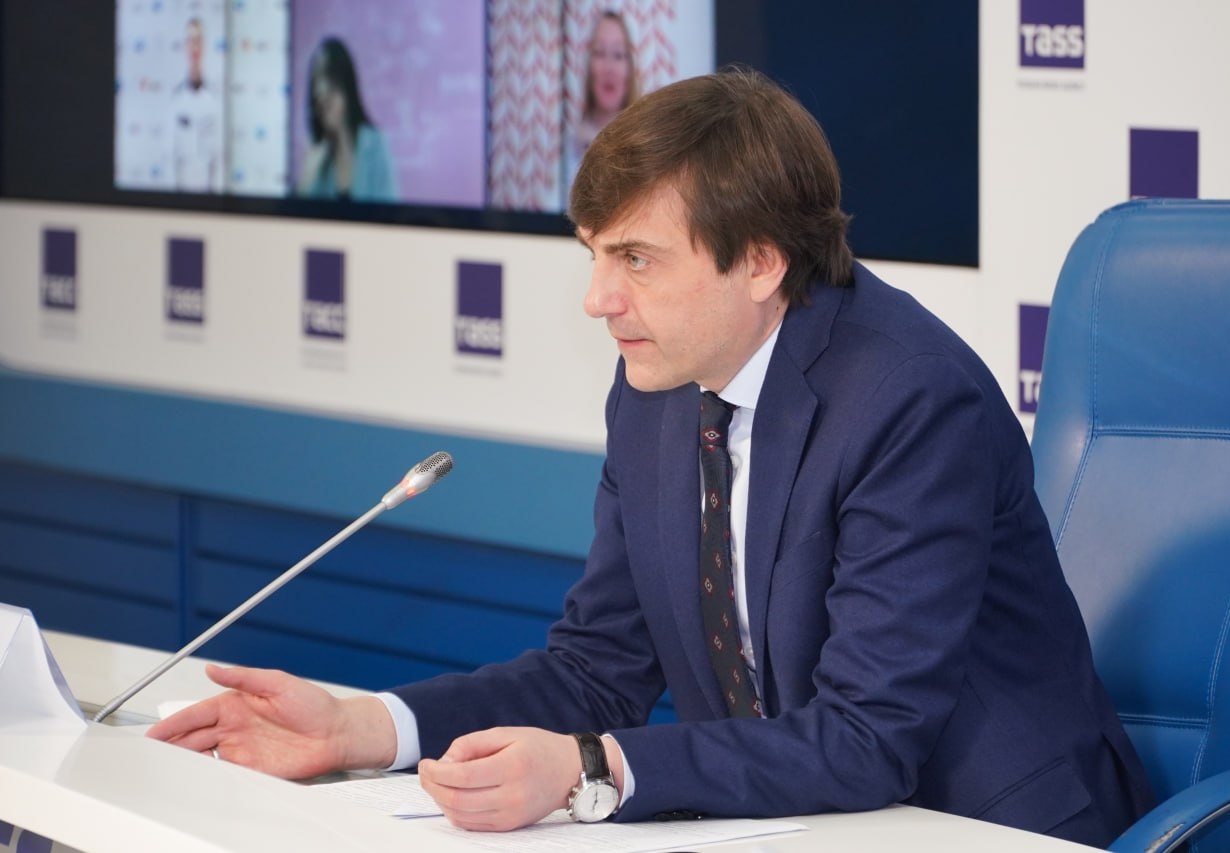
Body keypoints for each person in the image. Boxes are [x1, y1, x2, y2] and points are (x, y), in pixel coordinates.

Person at [148, 68, 1155, 845]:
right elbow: (596, 670)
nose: (598, 299)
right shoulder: (658, 387)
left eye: (634, 257)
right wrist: (362, 727)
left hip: (984, 827)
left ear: (759, 260)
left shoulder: (909, 399)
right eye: (593, 252)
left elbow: (865, 737)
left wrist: (593, 769)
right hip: (807, 823)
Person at [295, 37, 398, 202]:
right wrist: (306, 178)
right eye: (316, 81)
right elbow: (299, 214)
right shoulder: (318, 154)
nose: (321, 92)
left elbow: (391, 209)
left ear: (346, 86)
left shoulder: (375, 144)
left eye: (329, 80)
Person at [563, 11, 639, 206]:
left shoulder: (647, 147)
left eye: (618, 55)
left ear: (630, 69)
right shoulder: (570, 148)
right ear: (589, 66)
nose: (609, 68)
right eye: (599, 53)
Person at [172, 16, 224, 192]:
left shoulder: (216, 100)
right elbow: (170, 158)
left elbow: (218, 160)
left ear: (204, 46)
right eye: (190, 40)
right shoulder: (175, 100)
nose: (194, 47)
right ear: (184, 46)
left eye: (198, 40)